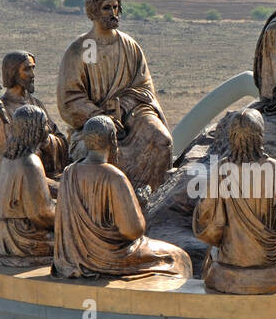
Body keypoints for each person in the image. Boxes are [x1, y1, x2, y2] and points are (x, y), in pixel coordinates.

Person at [57, 0, 173, 192]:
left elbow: (145, 89)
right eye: (106, 8)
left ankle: (154, 200)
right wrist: (100, 115)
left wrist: (126, 107)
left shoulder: (130, 46)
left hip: (133, 115)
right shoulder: (81, 49)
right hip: (93, 123)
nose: (113, 13)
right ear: (93, 12)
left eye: (116, 7)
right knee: (105, 151)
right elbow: (69, 99)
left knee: (161, 140)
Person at [52, 116, 192, 280]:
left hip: (72, 257)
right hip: (109, 258)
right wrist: (139, 204)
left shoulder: (69, 172)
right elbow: (132, 231)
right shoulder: (114, 177)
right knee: (179, 257)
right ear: (112, 140)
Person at [191, 109, 276, 294]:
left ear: (232, 136)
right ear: (260, 135)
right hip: (271, 265)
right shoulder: (274, 169)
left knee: (211, 256)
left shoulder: (222, 169)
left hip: (230, 264)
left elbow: (208, 226)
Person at [0, 104, 56, 266]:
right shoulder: (30, 163)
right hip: (21, 237)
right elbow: (41, 214)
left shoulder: (5, 157)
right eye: (44, 124)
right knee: (73, 243)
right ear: (34, 129)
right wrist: (65, 215)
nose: (47, 129)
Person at [0, 50, 69, 178]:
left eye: (33, 68)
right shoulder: (1, 110)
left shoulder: (36, 103)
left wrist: (47, 141)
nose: (32, 75)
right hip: (19, 175)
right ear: (12, 72)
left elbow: (59, 138)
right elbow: (3, 151)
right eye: (27, 69)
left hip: (46, 173)